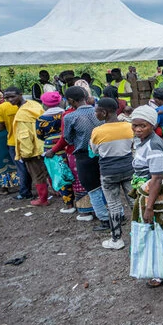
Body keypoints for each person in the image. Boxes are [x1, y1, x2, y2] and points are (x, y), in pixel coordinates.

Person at [128, 106, 163, 286]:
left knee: (159, 229)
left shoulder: (154, 145)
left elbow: (157, 179)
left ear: (152, 125)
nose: (137, 129)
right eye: (134, 126)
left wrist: (149, 207)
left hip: (157, 194)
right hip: (151, 190)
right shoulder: (143, 141)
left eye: (142, 126)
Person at [90, 97, 136, 250]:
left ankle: (117, 239)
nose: (95, 114)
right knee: (134, 202)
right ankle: (142, 234)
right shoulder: (129, 126)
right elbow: (133, 145)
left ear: (104, 112)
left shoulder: (97, 131)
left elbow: (95, 150)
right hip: (128, 169)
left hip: (108, 172)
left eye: (96, 111)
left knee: (113, 205)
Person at [62, 86, 109, 230]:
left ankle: (105, 219)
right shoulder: (99, 112)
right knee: (107, 186)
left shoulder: (70, 117)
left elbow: (68, 138)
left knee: (92, 188)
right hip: (103, 152)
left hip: (83, 155)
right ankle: (117, 214)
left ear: (70, 100)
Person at [36, 91, 75, 213]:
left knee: (59, 173)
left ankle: (69, 204)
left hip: (51, 148)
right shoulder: (65, 114)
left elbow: (40, 135)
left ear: (44, 104)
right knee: (72, 171)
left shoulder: (41, 118)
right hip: (67, 145)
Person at [10, 89, 50, 207]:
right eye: (7, 98)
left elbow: (24, 136)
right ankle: (57, 192)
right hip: (43, 144)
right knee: (47, 171)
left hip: (32, 150)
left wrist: (25, 154)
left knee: (37, 175)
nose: (10, 100)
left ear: (20, 95)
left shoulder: (22, 114)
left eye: (12, 96)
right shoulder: (34, 105)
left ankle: (43, 199)